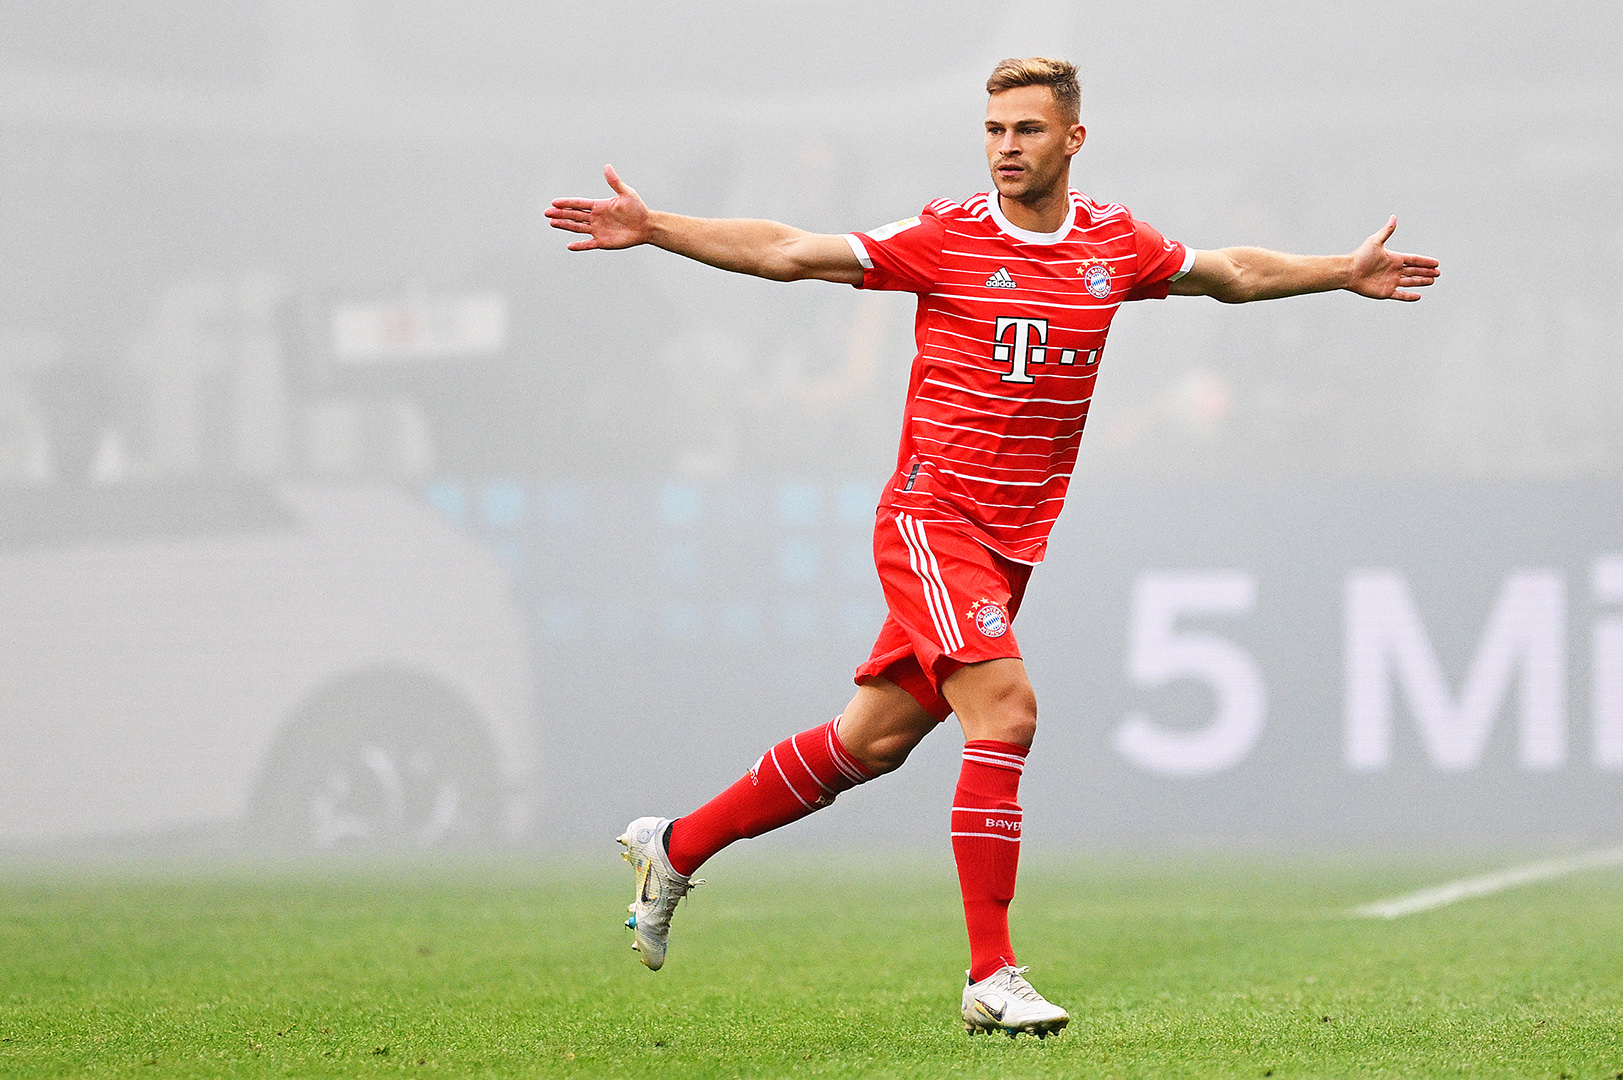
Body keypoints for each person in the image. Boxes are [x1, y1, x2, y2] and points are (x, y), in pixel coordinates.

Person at [545, 56, 1439, 1038]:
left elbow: (1229, 273)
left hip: (1008, 550)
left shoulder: (1112, 241)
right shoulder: (949, 238)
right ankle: (990, 973)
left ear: (1072, 140)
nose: (1006, 147)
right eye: (994, 130)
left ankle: (673, 846)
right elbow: (792, 252)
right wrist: (659, 227)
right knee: (1007, 711)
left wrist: (1340, 274)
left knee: (868, 744)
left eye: (1026, 130)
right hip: (933, 524)